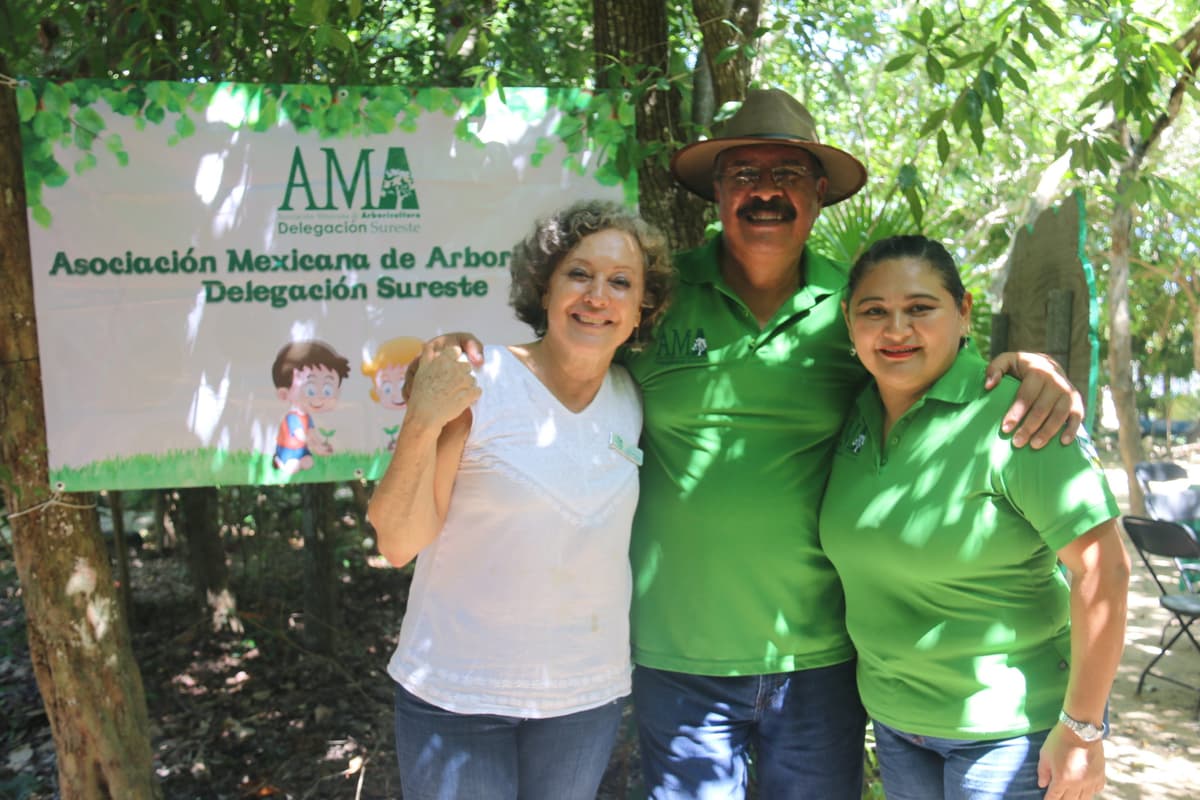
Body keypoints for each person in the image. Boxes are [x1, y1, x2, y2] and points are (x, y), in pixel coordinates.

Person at [416, 88, 1085, 799]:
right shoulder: (657, 293)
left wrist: (1028, 369)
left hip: (820, 656)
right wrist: (470, 357)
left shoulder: (856, 307)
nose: (765, 191)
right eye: (744, 175)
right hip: (677, 655)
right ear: (716, 195)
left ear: (820, 193)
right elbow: (570, 346)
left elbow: (943, 368)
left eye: (788, 175)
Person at [367, 200, 674, 800]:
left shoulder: (638, 397)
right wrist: (424, 418)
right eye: (578, 274)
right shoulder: (480, 382)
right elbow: (398, 542)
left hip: (584, 699)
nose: (597, 296)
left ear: (643, 309)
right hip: (458, 695)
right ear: (544, 287)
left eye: (620, 283)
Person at [819, 234, 1130, 800]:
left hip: (1008, 736)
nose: (895, 330)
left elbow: (1103, 572)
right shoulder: (855, 412)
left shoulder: (1022, 416)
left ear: (963, 312)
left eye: (920, 308)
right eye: (874, 312)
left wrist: (1083, 733)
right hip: (896, 724)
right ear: (848, 320)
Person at [270, 339, 350, 473]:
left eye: (327, 390)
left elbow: (312, 433)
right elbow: (303, 436)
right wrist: (315, 446)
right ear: (284, 394)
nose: (319, 398)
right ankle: (280, 460)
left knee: (308, 463)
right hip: (288, 450)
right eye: (311, 390)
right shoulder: (292, 418)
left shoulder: (307, 418)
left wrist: (320, 444)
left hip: (302, 451)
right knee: (292, 467)